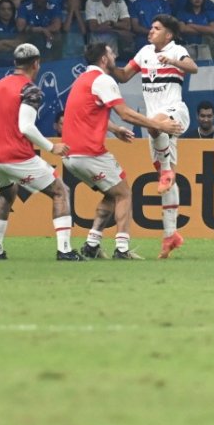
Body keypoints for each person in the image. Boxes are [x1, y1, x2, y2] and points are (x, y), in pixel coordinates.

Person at [66, 42, 185, 261]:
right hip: (89, 152)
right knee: (124, 193)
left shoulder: (81, 80)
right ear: (103, 59)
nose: (115, 55)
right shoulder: (103, 80)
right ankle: (121, 249)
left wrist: (113, 129)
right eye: (111, 52)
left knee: (111, 193)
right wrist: (159, 125)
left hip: (71, 155)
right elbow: (125, 113)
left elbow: (84, 114)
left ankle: (92, 244)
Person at [0, 42, 81, 262]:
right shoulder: (30, 89)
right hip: (17, 156)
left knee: (7, 194)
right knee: (60, 191)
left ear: (15, 63)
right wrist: (52, 147)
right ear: (36, 64)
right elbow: (26, 127)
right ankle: (65, 250)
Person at [111, 14, 198, 258]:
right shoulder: (144, 52)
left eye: (156, 28)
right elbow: (124, 75)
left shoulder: (176, 49)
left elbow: (194, 67)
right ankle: (170, 235)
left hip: (175, 112)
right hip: (155, 122)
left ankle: (167, 170)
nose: (150, 31)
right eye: (151, 27)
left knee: (154, 125)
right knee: (166, 180)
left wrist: (172, 60)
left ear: (168, 35)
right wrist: (106, 65)